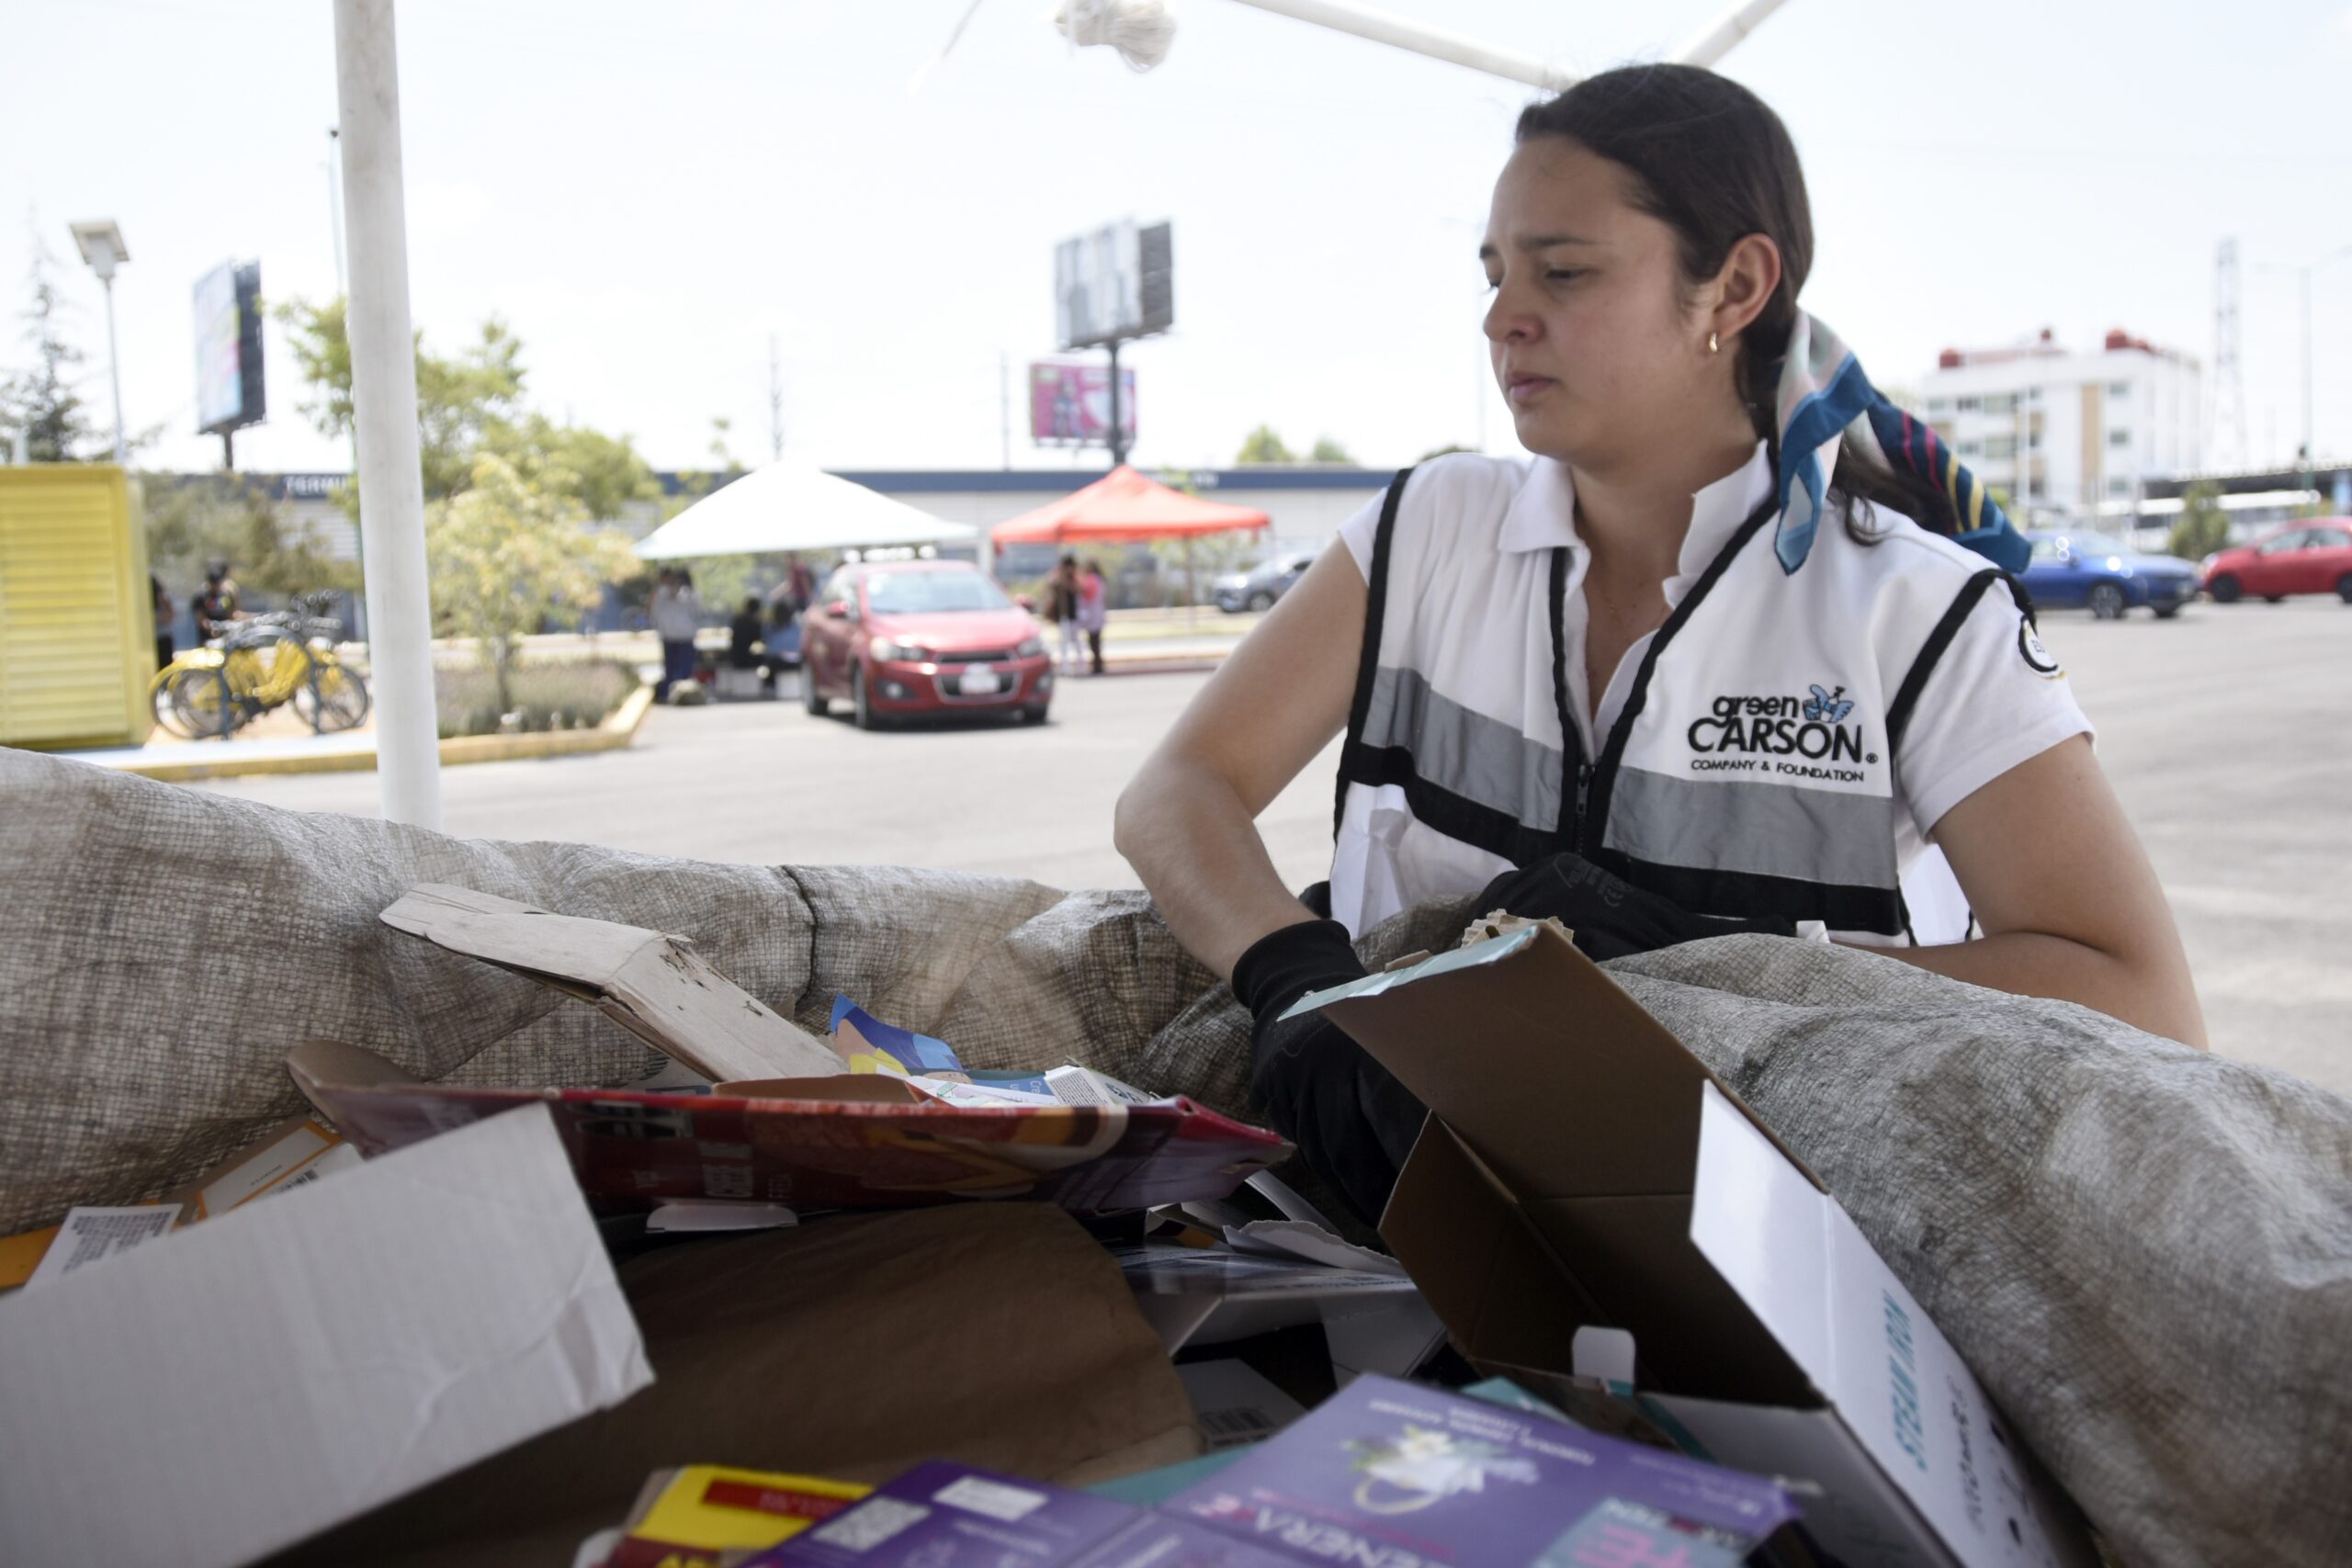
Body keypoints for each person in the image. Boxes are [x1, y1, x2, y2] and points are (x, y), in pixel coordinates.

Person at [1113, 64, 2206, 1224]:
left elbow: (2137, 1000)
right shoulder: (1425, 530)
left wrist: (1714, 972)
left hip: (1768, 1256)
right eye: (1493, 275)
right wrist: (1294, 980)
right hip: (1390, 1224)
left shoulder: (1912, 607)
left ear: (1732, 287)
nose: (1501, 318)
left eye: (1563, 271)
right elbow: (1175, 791)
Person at [649, 568, 704, 701]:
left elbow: (697, 612)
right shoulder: (662, 594)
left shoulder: (690, 595)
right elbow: (653, 612)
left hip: (684, 637)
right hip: (670, 637)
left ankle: (685, 695)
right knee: (670, 669)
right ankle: (668, 694)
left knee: (684, 670)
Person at [1044, 556, 1083, 674]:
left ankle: (1080, 664)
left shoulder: (1074, 579)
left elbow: (1079, 589)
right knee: (1064, 641)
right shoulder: (1058, 579)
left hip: (1073, 615)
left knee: (1076, 641)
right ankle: (1065, 666)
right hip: (1063, 615)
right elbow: (1049, 585)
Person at [193, 561, 239, 646]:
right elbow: (200, 617)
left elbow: (230, 613)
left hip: (225, 638)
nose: (216, 586)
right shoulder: (202, 596)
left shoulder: (225, 596)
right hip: (207, 639)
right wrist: (211, 629)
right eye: (214, 583)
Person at [1078, 558, 1109, 675]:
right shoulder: (1101, 580)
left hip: (1093, 615)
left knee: (1094, 642)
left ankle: (1097, 666)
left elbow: (1085, 594)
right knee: (1097, 642)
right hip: (1098, 613)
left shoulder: (1090, 580)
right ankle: (1098, 664)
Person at [151, 575, 174, 672]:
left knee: (166, 670)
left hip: (163, 638)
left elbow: (170, 615)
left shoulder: (162, 598)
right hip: (151, 640)